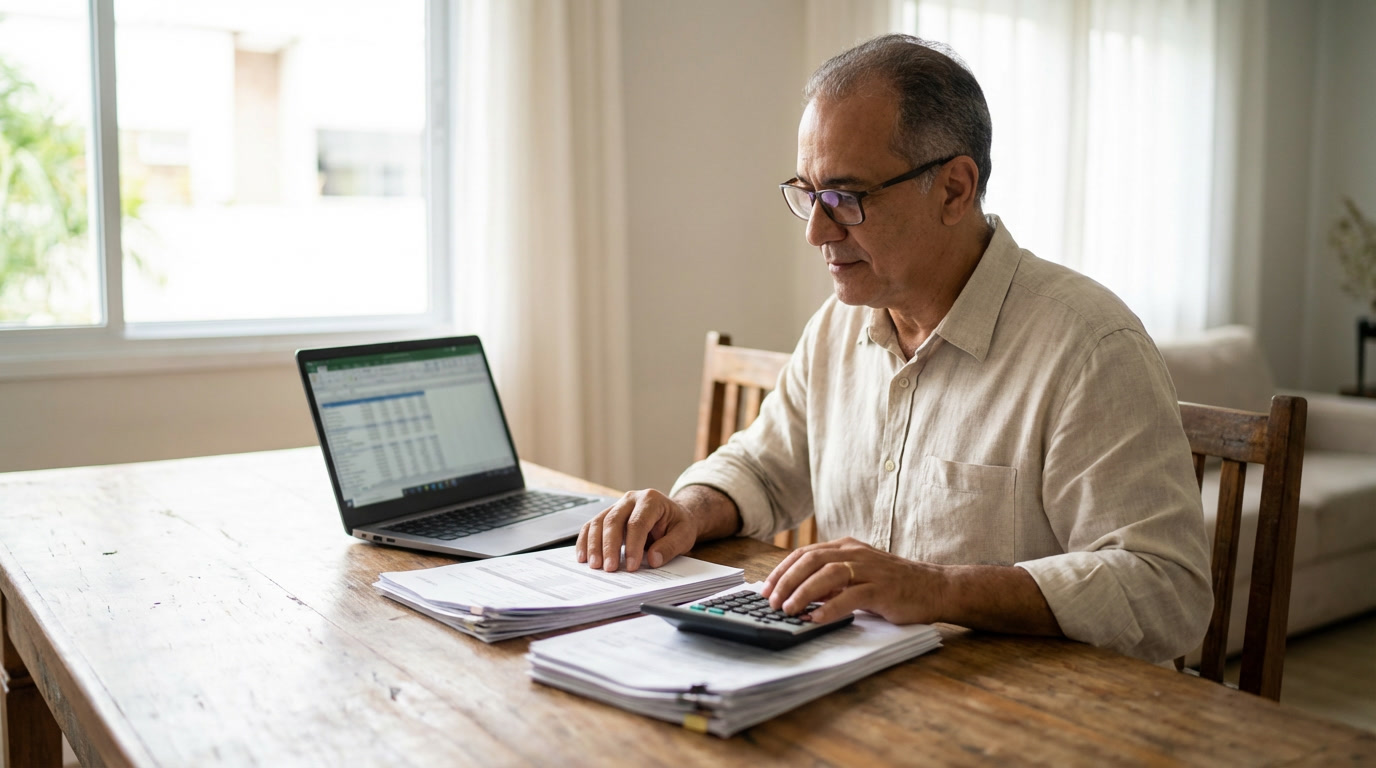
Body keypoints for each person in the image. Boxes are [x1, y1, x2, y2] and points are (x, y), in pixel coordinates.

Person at [577, 34, 1212, 663]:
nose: (818, 232)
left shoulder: (1090, 346)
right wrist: (687, 509)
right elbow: (765, 469)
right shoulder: (837, 326)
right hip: (857, 684)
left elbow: (1167, 591)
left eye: (846, 198)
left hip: (1029, 716)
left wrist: (937, 588)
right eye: (809, 194)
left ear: (954, 190)